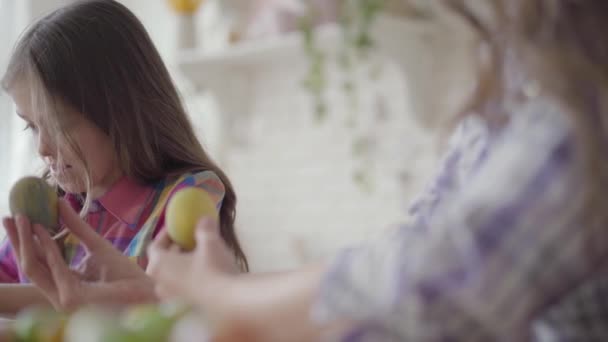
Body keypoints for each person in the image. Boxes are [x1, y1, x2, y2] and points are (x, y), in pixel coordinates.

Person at [148, 0, 608, 340]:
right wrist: (224, 289)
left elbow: (436, 283)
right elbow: (416, 241)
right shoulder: (512, 72)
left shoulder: (583, 104)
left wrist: (222, 295)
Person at [0, 0, 248, 314]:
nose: (43, 149)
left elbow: (160, 299)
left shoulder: (188, 195)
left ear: (122, 114)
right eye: (31, 126)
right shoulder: (51, 208)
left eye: (58, 124)